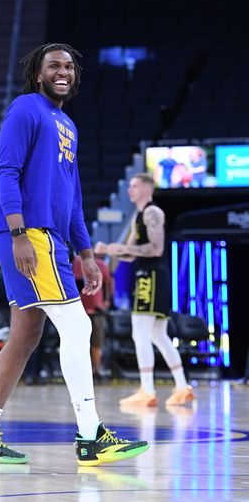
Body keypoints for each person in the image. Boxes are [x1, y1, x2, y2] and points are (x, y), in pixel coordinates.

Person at [0, 43, 148, 466]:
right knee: (78, 328)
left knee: (26, 335)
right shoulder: (26, 108)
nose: (62, 72)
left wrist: (85, 253)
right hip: (29, 235)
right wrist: (18, 234)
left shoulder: (67, 123)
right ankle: (91, 436)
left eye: (68, 66)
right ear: (38, 73)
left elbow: (74, 197)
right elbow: (6, 172)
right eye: (53, 66)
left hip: (54, 240)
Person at [96, 173, 195, 407]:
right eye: (129, 186)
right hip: (149, 276)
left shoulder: (152, 212)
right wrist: (110, 250)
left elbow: (156, 248)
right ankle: (182, 386)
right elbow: (130, 253)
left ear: (147, 189)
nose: (130, 190)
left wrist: (112, 247)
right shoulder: (137, 216)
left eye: (134, 186)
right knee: (158, 335)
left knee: (140, 333)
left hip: (151, 276)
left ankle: (147, 389)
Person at [72, 254, 113, 379]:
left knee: (96, 343)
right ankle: (82, 371)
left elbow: (108, 282)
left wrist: (107, 300)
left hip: (96, 311)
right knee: (79, 343)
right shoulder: (75, 263)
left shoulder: (100, 264)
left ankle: (96, 370)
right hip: (79, 310)